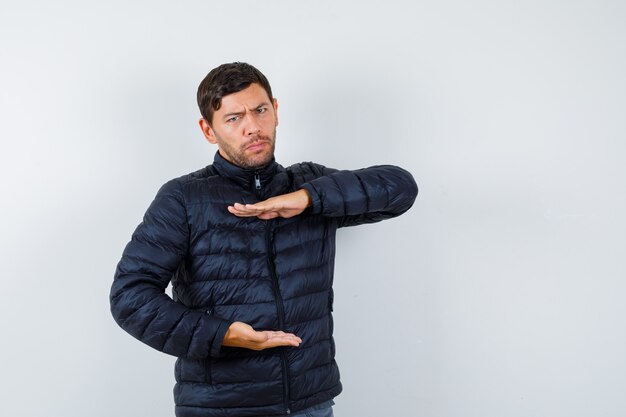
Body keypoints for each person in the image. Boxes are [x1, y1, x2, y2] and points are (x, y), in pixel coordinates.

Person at [110, 62, 418, 417]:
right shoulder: (183, 198)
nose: (253, 127)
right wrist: (224, 334)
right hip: (220, 407)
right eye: (234, 118)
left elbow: (400, 188)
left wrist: (306, 199)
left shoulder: (310, 184)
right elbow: (130, 298)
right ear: (208, 130)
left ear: (275, 110)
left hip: (308, 403)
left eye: (260, 110)